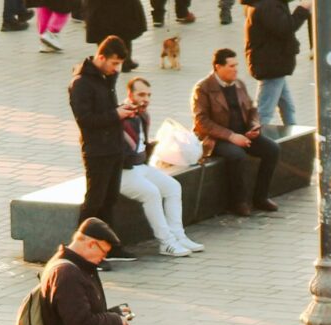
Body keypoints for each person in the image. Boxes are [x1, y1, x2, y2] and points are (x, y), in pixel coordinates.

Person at [193, 48, 282, 220]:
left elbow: (252, 109)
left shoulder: (239, 83)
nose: (235, 69)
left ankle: (260, 197)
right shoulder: (203, 88)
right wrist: (231, 136)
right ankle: (238, 201)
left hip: (243, 133)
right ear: (218, 67)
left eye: (236, 65)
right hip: (217, 138)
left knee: (272, 149)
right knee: (237, 155)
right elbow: (201, 122)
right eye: (231, 66)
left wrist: (254, 127)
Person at [113, 75, 195, 257]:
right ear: (130, 94)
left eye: (149, 95)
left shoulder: (143, 114)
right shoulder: (122, 115)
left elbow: (141, 145)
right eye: (141, 94)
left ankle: (178, 236)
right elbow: (122, 152)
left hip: (140, 166)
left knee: (173, 187)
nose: (146, 99)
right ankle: (166, 242)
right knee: (152, 193)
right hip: (122, 172)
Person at [68, 36, 132, 236]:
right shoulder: (81, 83)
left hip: (114, 146)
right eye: (114, 63)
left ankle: (109, 246)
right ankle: (80, 247)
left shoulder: (106, 78)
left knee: (110, 199)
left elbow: (106, 109)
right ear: (101, 57)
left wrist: (120, 110)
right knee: (94, 201)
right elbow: (85, 120)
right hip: (97, 150)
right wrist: (116, 114)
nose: (116, 68)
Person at [242, 0, 308, 125]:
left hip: (273, 62)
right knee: (264, 113)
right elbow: (285, 27)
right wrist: (303, 9)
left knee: (287, 107)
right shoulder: (267, 5)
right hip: (272, 64)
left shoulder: (265, 3)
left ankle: (294, 138)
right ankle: (257, 140)